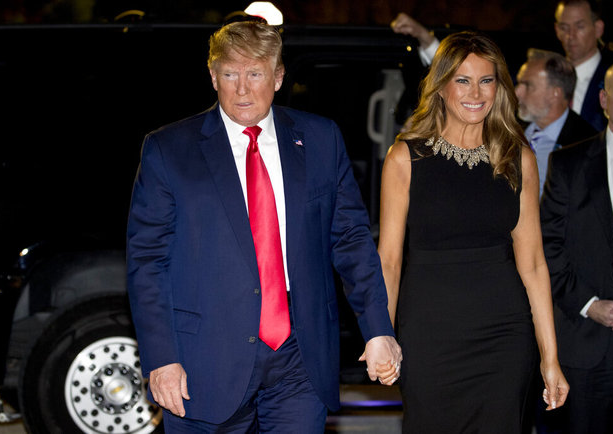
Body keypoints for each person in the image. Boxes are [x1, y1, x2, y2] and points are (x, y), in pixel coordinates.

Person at [126, 20, 402, 432]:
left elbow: (351, 241)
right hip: (206, 357)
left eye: (254, 73)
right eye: (230, 73)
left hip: (300, 354)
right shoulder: (169, 150)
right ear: (212, 74)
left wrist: (378, 328)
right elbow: (147, 262)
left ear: (277, 77)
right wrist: (162, 357)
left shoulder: (321, 139)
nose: (242, 89)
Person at [377, 31, 569, 433]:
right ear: (442, 85)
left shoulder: (518, 158)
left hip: (504, 334)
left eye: (487, 80)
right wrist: (381, 334)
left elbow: (533, 264)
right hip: (430, 333)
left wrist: (549, 357)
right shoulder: (405, 157)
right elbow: (389, 261)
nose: (475, 92)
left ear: (498, 87)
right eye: (463, 80)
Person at [540, 55, 613, 434]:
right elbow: (548, 246)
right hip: (589, 331)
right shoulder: (569, 165)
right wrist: (590, 305)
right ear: (605, 100)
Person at [515, 48, 597, 196]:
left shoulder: (588, 144)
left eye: (528, 85)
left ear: (555, 93)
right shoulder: (508, 128)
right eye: (519, 83)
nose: (517, 92)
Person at [554, 0, 613, 132]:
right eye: (564, 28)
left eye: (579, 26)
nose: (570, 36)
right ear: (557, 30)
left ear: (598, 29)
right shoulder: (546, 76)